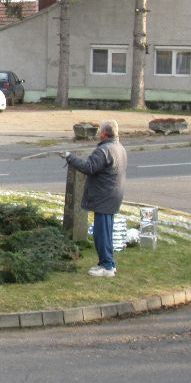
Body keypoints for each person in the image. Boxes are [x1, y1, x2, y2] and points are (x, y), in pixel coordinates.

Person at [60, 119, 127, 277]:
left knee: (101, 234)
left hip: (104, 197)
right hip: (113, 196)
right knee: (107, 232)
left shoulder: (103, 151)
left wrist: (70, 157)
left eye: (99, 132)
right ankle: (109, 262)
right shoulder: (120, 148)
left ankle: (106, 266)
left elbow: (89, 167)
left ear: (103, 134)